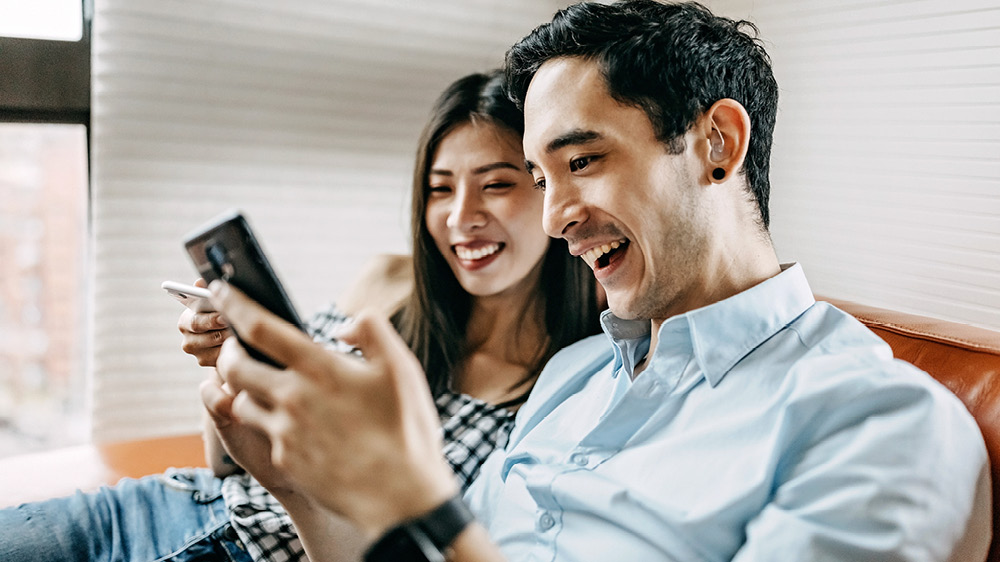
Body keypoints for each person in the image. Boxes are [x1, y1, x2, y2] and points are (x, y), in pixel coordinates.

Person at [200, 1, 992, 561]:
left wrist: (423, 507)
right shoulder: (572, 374)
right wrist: (298, 486)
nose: (552, 220)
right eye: (542, 179)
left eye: (582, 162)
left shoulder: (883, 424)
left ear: (717, 143)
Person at [0, 69, 602, 562]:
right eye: (441, 189)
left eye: (496, 185)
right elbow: (226, 462)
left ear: (548, 190)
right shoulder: (386, 286)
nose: (460, 216)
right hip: (171, 507)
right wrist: (231, 363)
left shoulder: (574, 375)